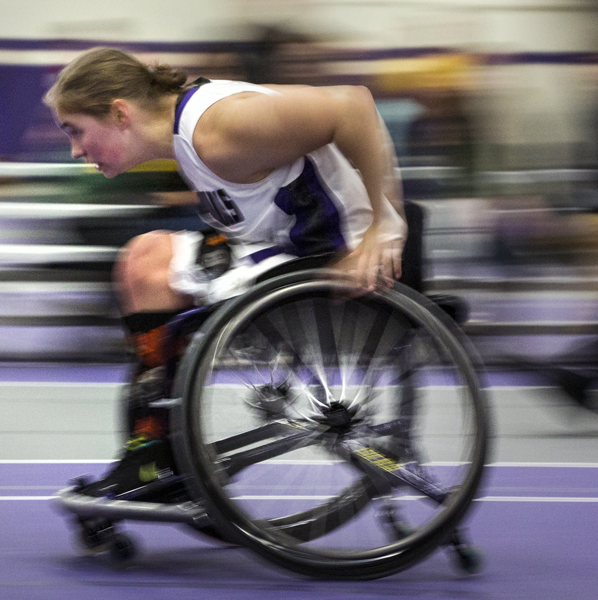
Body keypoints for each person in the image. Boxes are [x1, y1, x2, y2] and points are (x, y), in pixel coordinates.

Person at [43, 47, 409, 499]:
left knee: (148, 263)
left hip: (332, 259)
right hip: (284, 252)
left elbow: (353, 105)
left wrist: (384, 225)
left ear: (120, 113)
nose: (76, 150)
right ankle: (154, 450)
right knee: (146, 261)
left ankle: (157, 454)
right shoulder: (191, 126)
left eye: (76, 131)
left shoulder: (218, 129)